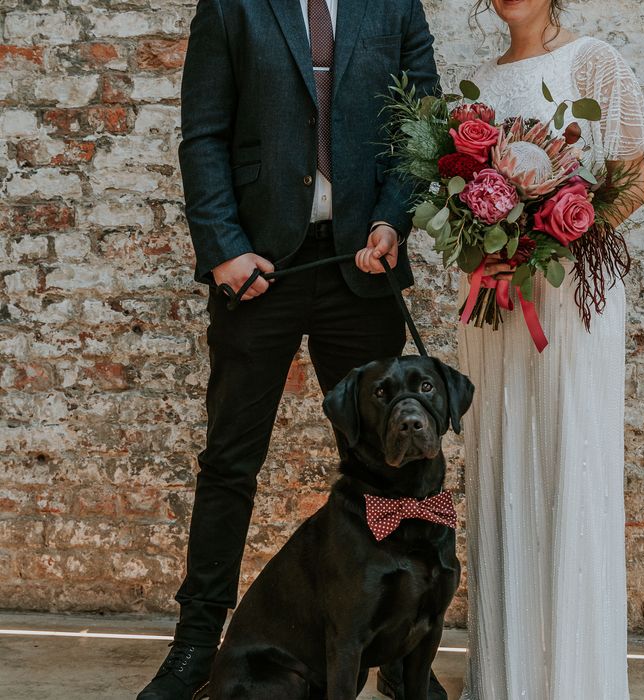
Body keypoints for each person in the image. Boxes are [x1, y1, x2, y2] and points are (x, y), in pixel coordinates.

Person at [136, 1, 446, 698]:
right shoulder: (230, 5)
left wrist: (393, 220)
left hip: (363, 270)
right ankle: (195, 646)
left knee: (388, 465)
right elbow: (204, 134)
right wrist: (223, 249)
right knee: (229, 463)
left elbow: (420, 130)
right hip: (256, 272)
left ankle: (401, 655)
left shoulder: (396, 5)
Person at [458, 1, 644, 699]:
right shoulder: (479, 82)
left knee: (569, 456)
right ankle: (509, 674)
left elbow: (633, 178)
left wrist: (547, 236)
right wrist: (490, 238)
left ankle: (574, 677)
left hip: (567, 296)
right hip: (498, 304)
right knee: (506, 455)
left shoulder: (592, 60)